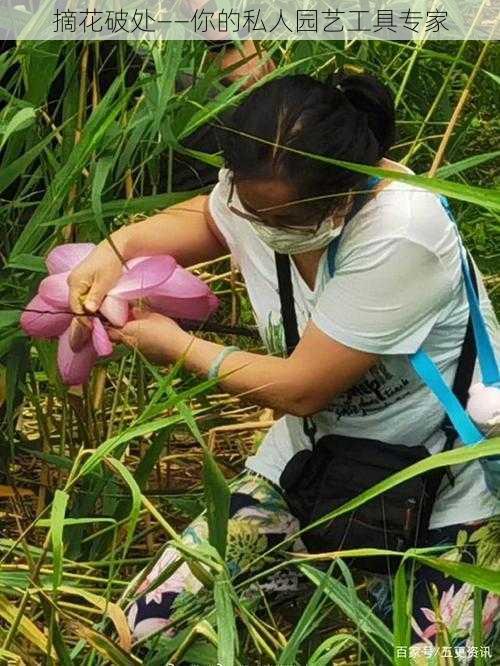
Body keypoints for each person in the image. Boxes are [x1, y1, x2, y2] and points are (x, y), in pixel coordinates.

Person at [67, 71, 500, 656]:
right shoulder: (254, 198)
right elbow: (208, 217)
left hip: (453, 481)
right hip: (313, 467)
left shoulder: (405, 231)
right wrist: (115, 249)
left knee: (437, 651)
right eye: (254, 210)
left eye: (290, 220)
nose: (267, 230)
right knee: (136, 631)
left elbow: (301, 390)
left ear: (350, 189)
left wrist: (173, 343)